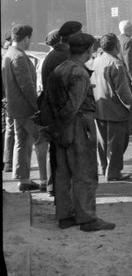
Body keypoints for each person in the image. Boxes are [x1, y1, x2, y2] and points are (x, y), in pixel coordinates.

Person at [44, 32, 115, 232]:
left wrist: (55, 127)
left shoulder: (59, 69)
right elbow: (73, 106)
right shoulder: (79, 72)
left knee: (63, 172)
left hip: (59, 126)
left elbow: (49, 101)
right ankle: (87, 219)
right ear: (88, 50)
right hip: (77, 126)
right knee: (85, 173)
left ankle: (65, 216)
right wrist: (67, 126)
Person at [2, 25, 48, 191]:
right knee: (41, 140)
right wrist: (37, 108)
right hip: (26, 109)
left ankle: (23, 179)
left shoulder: (8, 54)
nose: (31, 41)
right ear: (25, 38)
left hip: (15, 108)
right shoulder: (19, 57)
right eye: (30, 38)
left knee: (21, 142)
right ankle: (44, 180)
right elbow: (27, 87)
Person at [40, 21, 83, 197]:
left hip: (52, 109)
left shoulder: (52, 55)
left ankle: (53, 186)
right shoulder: (66, 57)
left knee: (55, 150)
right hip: (64, 112)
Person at [92, 33, 132, 181]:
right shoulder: (116, 64)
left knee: (102, 142)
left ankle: (103, 168)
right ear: (116, 46)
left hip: (99, 108)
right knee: (116, 144)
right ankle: (113, 172)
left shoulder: (96, 61)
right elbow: (123, 92)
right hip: (115, 111)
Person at [3, 30, 16, 173]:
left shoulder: (5, 54)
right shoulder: (8, 55)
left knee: (9, 130)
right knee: (11, 129)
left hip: (6, 96)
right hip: (9, 97)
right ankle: (8, 162)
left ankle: (8, 162)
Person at [118, 20, 132, 98]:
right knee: (130, 100)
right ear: (130, 29)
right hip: (127, 78)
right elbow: (129, 62)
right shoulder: (129, 42)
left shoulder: (117, 40)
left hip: (119, 76)